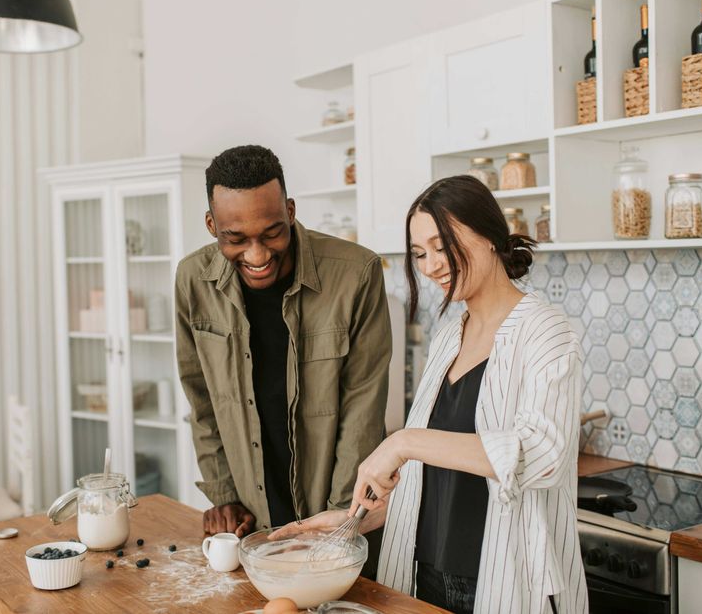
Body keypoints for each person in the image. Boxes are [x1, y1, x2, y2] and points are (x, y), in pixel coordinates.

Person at [273, 175, 587, 614]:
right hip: (424, 575)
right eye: (420, 253)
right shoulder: (447, 336)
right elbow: (435, 481)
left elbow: (543, 455)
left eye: (443, 246)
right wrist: (353, 521)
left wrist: (403, 441)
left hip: (505, 581)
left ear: (490, 236)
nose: (431, 264)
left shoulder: (546, 332)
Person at [175, 144, 392, 539]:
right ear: (211, 224)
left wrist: (339, 520)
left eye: (272, 233)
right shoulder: (193, 281)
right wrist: (223, 493)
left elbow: (363, 407)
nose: (257, 255)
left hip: (338, 520)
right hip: (251, 521)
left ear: (290, 212)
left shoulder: (356, 274)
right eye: (235, 239)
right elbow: (201, 398)